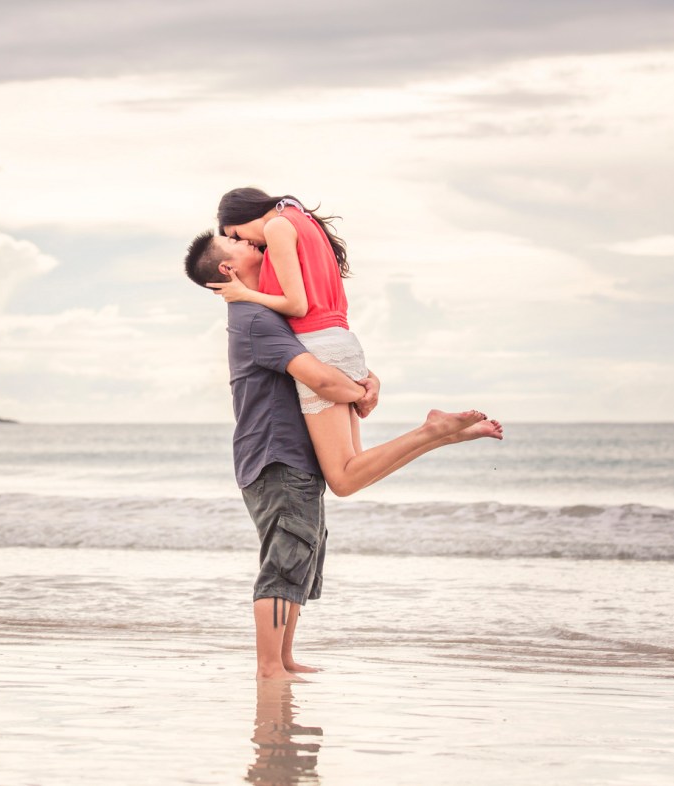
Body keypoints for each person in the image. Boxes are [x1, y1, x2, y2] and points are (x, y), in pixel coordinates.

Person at [185, 231, 501, 680]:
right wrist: (359, 394)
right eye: (236, 242)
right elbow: (323, 380)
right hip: (277, 454)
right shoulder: (253, 317)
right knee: (284, 559)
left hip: (291, 453)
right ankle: (270, 667)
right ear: (227, 269)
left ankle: (285, 659)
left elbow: (325, 360)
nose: (251, 242)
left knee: (301, 557)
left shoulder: (266, 309)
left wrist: (368, 382)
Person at [209, 187, 500, 497]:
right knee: (356, 470)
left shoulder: (276, 226)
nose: (245, 242)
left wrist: (244, 294)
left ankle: (432, 430)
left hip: (318, 345)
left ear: (244, 213)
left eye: (235, 234)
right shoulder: (305, 222)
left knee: (344, 480)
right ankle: (441, 436)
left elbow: (297, 306)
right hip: (341, 340)